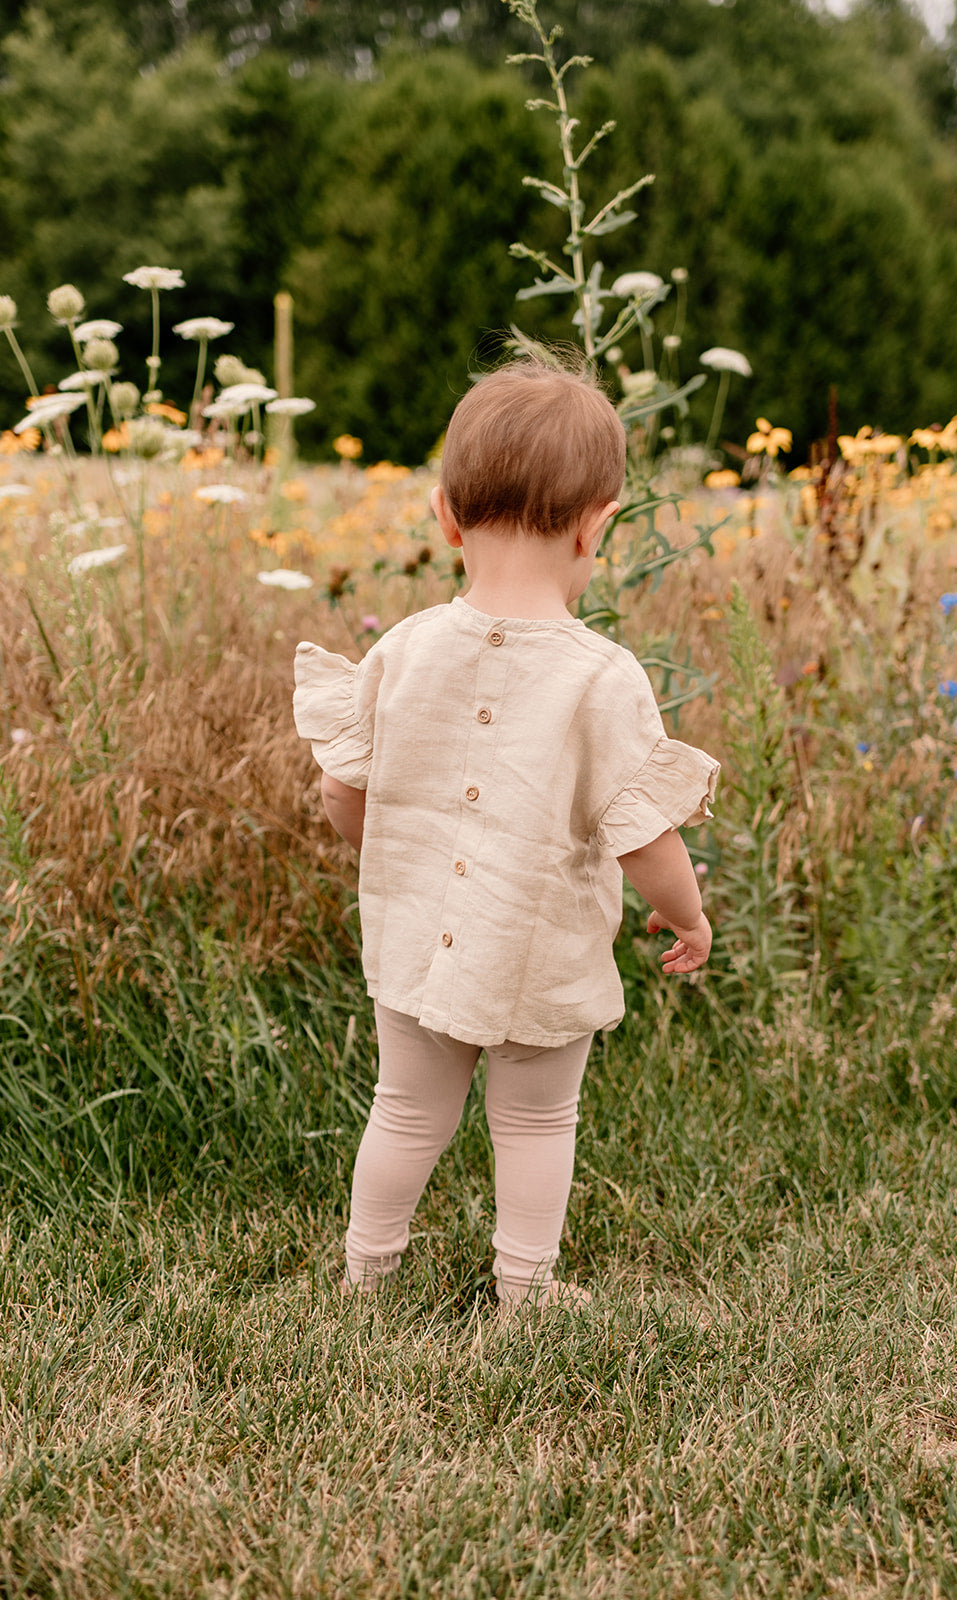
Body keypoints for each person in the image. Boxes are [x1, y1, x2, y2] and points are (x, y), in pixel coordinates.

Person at [293, 358, 719, 1309]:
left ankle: (366, 1275)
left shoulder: (400, 649)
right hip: (540, 954)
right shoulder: (601, 677)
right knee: (535, 1123)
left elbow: (341, 790)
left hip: (411, 937)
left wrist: (385, 843)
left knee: (403, 1110)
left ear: (445, 515)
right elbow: (644, 836)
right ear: (596, 525)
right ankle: (524, 1290)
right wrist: (686, 917)